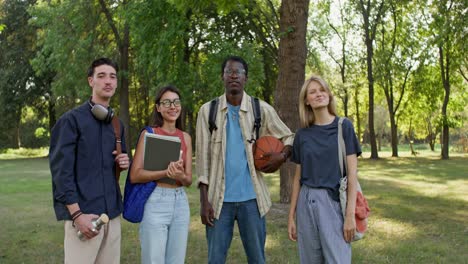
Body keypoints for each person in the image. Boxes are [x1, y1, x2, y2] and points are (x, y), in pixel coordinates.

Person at [196, 55, 294, 263]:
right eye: (229, 71)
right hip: (218, 201)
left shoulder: (261, 109)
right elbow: (203, 159)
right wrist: (204, 201)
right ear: (222, 77)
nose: (233, 75)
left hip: (252, 200)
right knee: (215, 259)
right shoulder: (208, 111)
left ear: (245, 78)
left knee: (258, 259)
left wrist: (282, 156)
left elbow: (289, 136)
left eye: (238, 72)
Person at [49, 57, 130, 264]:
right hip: (84, 217)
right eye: (101, 76)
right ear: (90, 81)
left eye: (112, 76)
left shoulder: (117, 124)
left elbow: (117, 163)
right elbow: (61, 173)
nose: (108, 81)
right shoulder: (70, 121)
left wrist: (123, 162)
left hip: (111, 216)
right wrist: (77, 215)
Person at [287, 75, 362, 263]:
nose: (318, 94)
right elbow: (298, 178)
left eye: (322, 90)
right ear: (306, 100)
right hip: (306, 202)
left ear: (329, 94)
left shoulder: (343, 126)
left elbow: (352, 175)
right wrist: (291, 216)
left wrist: (350, 215)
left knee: (338, 259)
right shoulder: (302, 135)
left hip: (333, 202)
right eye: (312, 92)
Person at [129, 85, 192, 264]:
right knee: (153, 260)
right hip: (155, 201)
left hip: (180, 203)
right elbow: (135, 175)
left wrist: (178, 174)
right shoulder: (149, 134)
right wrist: (165, 172)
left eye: (176, 102)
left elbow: (188, 180)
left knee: (176, 260)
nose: (172, 106)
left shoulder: (185, 137)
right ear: (158, 107)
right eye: (166, 102)